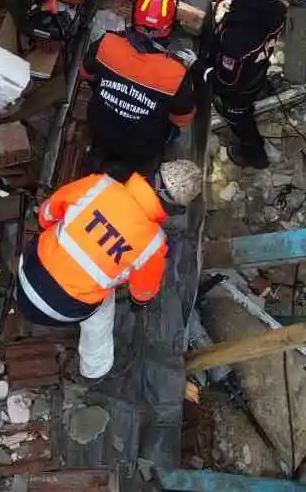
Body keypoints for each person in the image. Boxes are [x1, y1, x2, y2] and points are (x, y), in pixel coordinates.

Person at [14, 159, 201, 379]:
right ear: (176, 209)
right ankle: (95, 370)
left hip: (27, 273)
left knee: (60, 230)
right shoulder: (153, 245)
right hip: (58, 311)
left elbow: (46, 214)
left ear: (152, 173)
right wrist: (137, 303)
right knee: (104, 306)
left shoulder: (99, 185)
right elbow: (142, 294)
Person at [80, 0, 199, 175]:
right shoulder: (176, 74)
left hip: (100, 129)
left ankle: (96, 162)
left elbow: (86, 74)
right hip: (142, 147)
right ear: (170, 26)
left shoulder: (106, 44)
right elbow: (183, 119)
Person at [202, 0, 285, 169]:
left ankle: (255, 155)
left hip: (239, 91)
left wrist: (202, 70)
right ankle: (260, 90)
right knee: (254, 77)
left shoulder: (237, 40)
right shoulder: (277, 9)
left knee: (240, 121)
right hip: (257, 70)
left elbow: (226, 83)